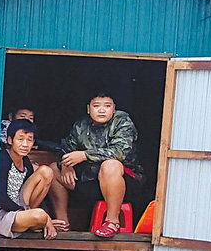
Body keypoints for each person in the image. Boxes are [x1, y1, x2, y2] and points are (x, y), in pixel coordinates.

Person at [58, 92, 145, 238]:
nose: (102, 110)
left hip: (124, 182)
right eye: (96, 106)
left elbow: (119, 152)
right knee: (53, 170)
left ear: (114, 108)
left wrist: (84, 155)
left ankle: (112, 222)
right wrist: (65, 165)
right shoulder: (81, 125)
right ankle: (62, 223)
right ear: (88, 109)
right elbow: (65, 149)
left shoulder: (122, 122)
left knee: (110, 165)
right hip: (91, 181)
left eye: (107, 106)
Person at [0, 119, 68, 240]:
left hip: (21, 208)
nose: (25, 144)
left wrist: (35, 214)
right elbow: (0, 197)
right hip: (3, 214)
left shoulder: (25, 161)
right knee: (40, 215)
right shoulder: (3, 159)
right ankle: (34, 220)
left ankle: (32, 219)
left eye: (29, 140)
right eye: (20, 139)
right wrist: (44, 218)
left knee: (46, 171)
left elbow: (31, 191)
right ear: (10, 140)